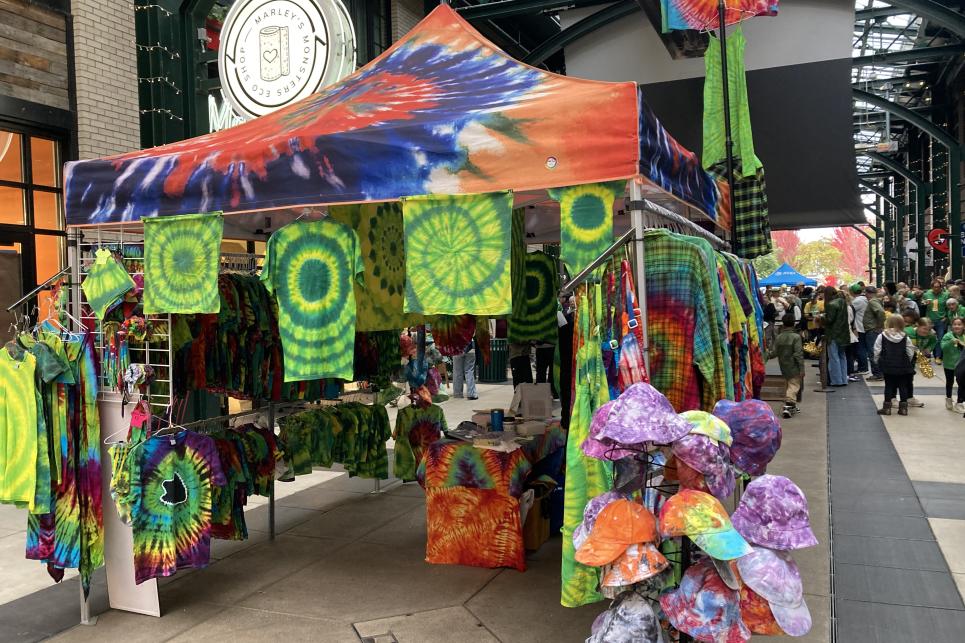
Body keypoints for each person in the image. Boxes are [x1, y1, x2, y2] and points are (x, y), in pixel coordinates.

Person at [874, 314, 917, 416]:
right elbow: (910, 351)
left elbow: (877, 350)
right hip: (903, 365)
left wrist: (877, 361)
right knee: (903, 386)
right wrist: (907, 361)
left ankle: (887, 408)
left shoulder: (882, 336)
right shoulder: (905, 336)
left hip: (888, 365)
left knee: (889, 385)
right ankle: (903, 409)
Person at [770, 313, 804, 418]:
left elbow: (774, 352)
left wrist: (764, 356)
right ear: (793, 323)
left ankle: (792, 405)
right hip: (794, 365)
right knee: (794, 385)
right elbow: (798, 354)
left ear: (783, 324)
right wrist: (802, 368)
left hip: (783, 365)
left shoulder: (779, 337)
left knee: (789, 383)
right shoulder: (796, 337)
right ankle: (788, 405)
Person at [824, 288, 850, 387]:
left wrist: (821, 318)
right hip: (843, 333)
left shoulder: (831, 304)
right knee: (842, 356)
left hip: (833, 334)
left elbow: (829, 320)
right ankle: (844, 379)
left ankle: (836, 380)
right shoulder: (843, 302)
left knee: (834, 357)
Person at [940, 317, 965, 412]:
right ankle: (949, 398)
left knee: (962, 384)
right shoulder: (948, 336)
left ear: (963, 326)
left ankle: (959, 402)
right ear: (951, 326)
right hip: (949, 364)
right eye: (955, 324)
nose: (957, 326)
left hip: (962, 365)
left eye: (959, 324)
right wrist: (951, 342)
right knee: (949, 382)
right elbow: (943, 347)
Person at [922, 279, 949, 364]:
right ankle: (926, 356)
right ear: (932, 287)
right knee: (928, 338)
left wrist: (946, 317)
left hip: (940, 320)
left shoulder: (945, 295)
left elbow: (948, 307)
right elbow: (921, 304)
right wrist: (924, 303)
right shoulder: (927, 294)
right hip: (929, 320)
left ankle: (938, 357)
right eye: (934, 287)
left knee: (940, 339)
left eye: (938, 287)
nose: (936, 289)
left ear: (941, 287)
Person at [863, 286, 886, 381]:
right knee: (876, 351)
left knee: (873, 352)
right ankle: (879, 372)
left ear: (868, 293)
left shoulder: (872, 302)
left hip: (872, 330)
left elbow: (880, 312)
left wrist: (879, 325)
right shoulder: (876, 300)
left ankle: (877, 373)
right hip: (873, 329)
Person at [851, 284, 870, 375]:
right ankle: (863, 367)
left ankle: (863, 368)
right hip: (865, 326)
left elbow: (850, 310)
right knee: (863, 347)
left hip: (859, 327)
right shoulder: (864, 299)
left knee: (860, 348)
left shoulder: (857, 301)